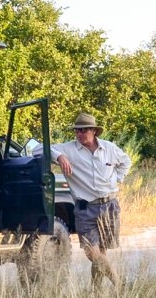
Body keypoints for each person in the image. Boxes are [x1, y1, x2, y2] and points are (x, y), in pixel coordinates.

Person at [49, 112, 131, 288]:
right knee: (91, 251)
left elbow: (126, 161)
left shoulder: (108, 148)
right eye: (77, 130)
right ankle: (119, 283)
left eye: (83, 130)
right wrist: (59, 157)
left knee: (101, 252)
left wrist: (118, 178)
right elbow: (38, 148)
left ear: (94, 131)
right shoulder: (68, 149)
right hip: (85, 208)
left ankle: (95, 293)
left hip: (109, 205)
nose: (79, 134)